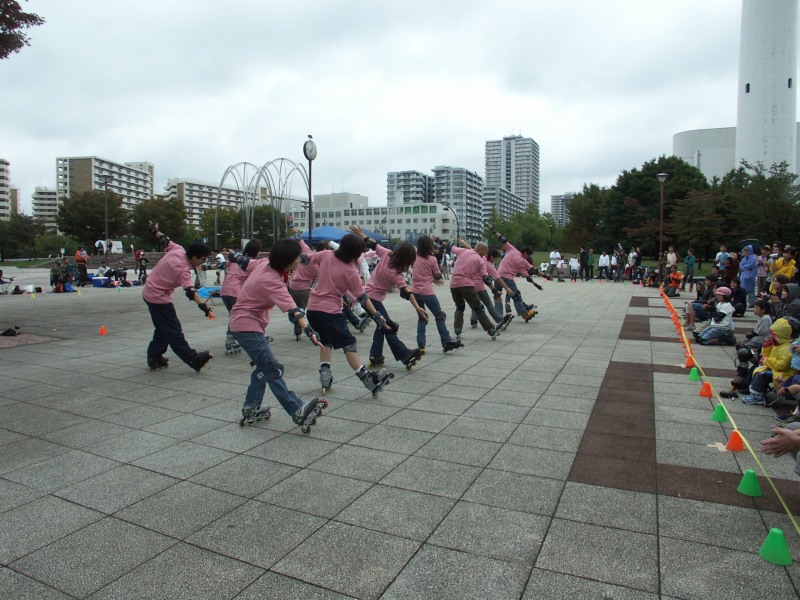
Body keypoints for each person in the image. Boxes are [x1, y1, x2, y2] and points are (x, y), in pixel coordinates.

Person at [229, 238, 328, 430]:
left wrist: (234, 256)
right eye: (297, 258)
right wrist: (310, 331)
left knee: (264, 368)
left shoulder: (264, 263)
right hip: (247, 326)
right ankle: (297, 410)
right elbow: (294, 311)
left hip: (243, 323)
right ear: (287, 262)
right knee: (272, 369)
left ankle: (251, 407)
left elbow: (245, 262)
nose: (299, 261)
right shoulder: (272, 281)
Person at [304, 227, 396, 396]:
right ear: (356, 253)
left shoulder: (326, 254)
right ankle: (368, 379)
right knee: (349, 344)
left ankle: (325, 377)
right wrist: (377, 315)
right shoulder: (351, 271)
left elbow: (306, 259)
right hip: (330, 312)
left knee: (326, 342)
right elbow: (362, 297)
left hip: (312, 309)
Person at [142, 221, 214, 372]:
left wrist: (154, 230)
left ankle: (154, 357)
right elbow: (190, 291)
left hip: (149, 291)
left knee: (162, 328)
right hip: (158, 297)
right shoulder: (183, 270)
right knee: (173, 331)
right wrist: (203, 306)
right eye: (202, 259)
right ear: (194, 257)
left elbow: (164, 240)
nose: (202, 262)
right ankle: (193, 359)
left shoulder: (178, 249)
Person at [364, 234, 429, 369]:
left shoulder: (387, 253)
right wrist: (418, 308)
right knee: (387, 325)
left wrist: (361, 234)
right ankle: (405, 354)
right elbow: (407, 292)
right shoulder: (395, 273)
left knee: (381, 326)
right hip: (371, 299)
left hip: (367, 297)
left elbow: (373, 243)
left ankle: (375, 355)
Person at [411, 235, 462, 353]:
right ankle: (446, 341)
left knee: (422, 316)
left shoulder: (414, 257)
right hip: (427, 292)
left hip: (415, 291)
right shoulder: (432, 259)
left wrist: (432, 278)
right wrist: (436, 278)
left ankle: (421, 342)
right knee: (439, 316)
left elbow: (420, 273)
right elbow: (438, 275)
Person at [450, 240, 505, 341]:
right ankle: (491, 329)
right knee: (478, 308)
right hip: (466, 285)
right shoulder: (480, 261)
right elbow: (486, 279)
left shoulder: (463, 251)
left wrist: (437, 241)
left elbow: (451, 248)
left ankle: (457, 330)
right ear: (480, 249)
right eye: (485, 250)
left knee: (459, 307)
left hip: (454, 284)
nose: (486, 253)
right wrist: (495, 291)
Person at [485, 224, 541, 321]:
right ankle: (524, 313)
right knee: (515, 294)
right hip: (507, 278)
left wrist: (493, 229)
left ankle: (499, 316)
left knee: (497, 294)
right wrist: (545, 276)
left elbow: (502, 238)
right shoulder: (522, 261)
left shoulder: (511, 249)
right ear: (525, 253)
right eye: (528, 255)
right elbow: (533, 271)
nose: (528, 257)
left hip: (497, 276)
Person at [743, 318, 796, 404]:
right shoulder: (777, 344)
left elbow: (782, 365)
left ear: (780, 336)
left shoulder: (787, 348)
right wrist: (766, 347)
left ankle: (758, 396)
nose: (771, 336)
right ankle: (755, 392)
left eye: (773, 335)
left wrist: (766, 360)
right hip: (774, 369)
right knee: (759, 369)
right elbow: (765, 356)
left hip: (784, 373)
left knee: (761, 374)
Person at [221, 241, 261, 355]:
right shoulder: (251, 263)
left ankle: (233, 339)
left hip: (224, 290)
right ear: (256, 252)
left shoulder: (236, 259)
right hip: (235, 291)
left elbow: (223, 265)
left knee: (233, 315)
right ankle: (234, 340)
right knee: (240, 317)